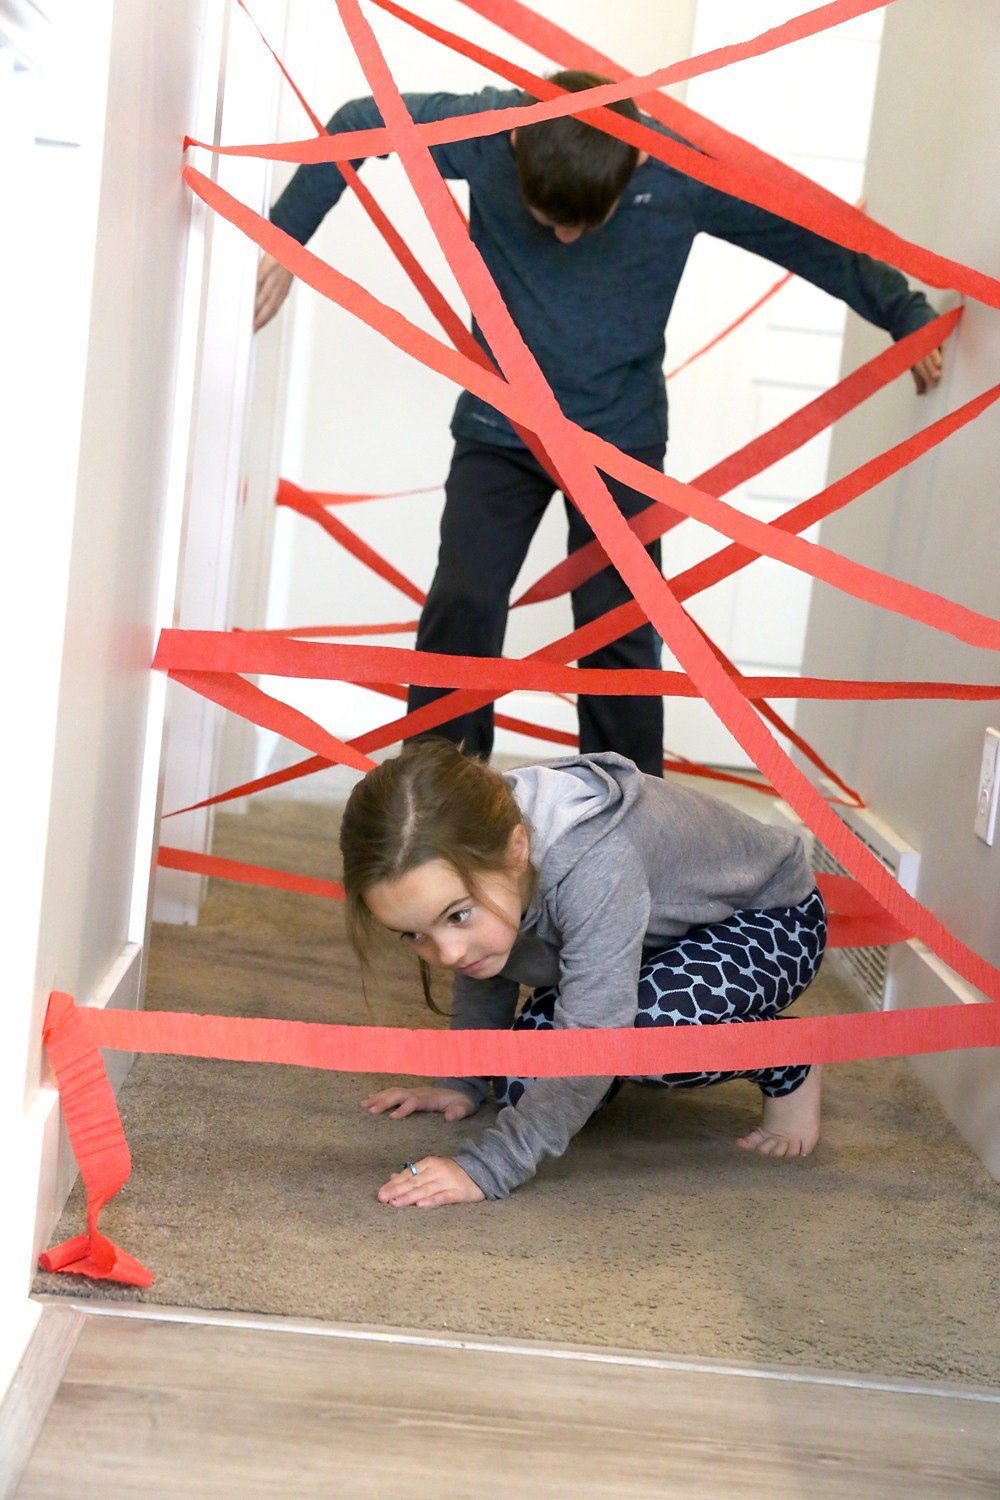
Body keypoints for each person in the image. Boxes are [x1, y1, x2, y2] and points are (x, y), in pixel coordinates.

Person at [257, 72, 944, 775]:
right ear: (521, 140)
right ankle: (437, 804)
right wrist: (285, 240)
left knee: (619, 631)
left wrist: (903, 312)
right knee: (463, 601)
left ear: (637, 163)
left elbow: (802, 233)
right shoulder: (488, 129)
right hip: (502, 428)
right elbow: (358, 121)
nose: (563, 236)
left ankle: (632, 820)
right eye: (547, 216)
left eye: (586, 223)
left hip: (620, 438)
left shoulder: (680, 168)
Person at [340, 737, 828, 1207]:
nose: (445, 954)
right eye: (414, 934)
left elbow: (595, 1038)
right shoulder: (485, 845)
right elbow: (484, 965)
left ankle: (787, 1061)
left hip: (772, 923)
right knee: (520, 1082)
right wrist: (464, 1079)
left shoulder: (593, 861)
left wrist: (487, 1167)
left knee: (642, 1035)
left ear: (516, 851)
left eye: (457, 915)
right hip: (651, 941)